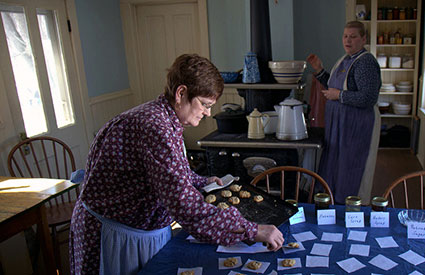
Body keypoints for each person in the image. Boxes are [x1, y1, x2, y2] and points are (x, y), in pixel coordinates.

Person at [69, 54, 284, 274]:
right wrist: (252, 229)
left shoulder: (165, 118)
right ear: (181, 93)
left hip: (138, 229)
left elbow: (164, 171)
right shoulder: (154, 127)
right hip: (116, 235)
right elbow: (184, 205)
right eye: (205, 104)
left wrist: (201, 180)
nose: (208, 113)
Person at [307, 21, 381, 204]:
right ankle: (335, 202)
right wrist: (319, 70)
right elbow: (333, 88)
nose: (348, 40)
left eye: (353, 36)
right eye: (345, 36)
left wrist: (338, 95)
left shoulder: (366, 62)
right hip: (340, 126)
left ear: (363, 39)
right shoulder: (345, 60)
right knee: (337, 166)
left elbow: (368, 98)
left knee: (352, 167)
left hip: (357, 126)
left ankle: (352, 207)